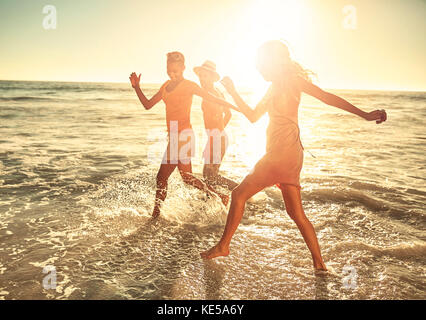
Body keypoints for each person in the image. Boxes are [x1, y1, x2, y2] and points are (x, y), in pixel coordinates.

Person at [200, 40, 387, 270]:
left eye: (261, 64)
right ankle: (320, 264)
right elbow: (252, 116)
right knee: (296, 213)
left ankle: (223, 246)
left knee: (239, 194)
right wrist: (233, 92)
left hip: (281, 152)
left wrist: (365, 114)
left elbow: (328, 98)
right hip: (291, 154)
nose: (259, 69)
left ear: (274, 62)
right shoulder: (275, 87)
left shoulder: (292, 81)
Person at [129, 51, 240, 218]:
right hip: (175, 136)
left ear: (183, 68)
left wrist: (238, 108)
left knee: (161, 177)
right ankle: (220, 196)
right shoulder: (165, 86)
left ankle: (155, 215)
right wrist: (137, 87)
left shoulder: (189, 85)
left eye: (176, 71)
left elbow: (213, 98)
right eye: (169, 70)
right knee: (187, 178)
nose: (172, 74)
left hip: (183, 135)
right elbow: (147, 104)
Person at [194, 60, 238, 191]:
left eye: (205, 76)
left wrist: (214, 139)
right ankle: (213, 203)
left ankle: (242, 191)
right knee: (209, 176)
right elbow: (228, 114)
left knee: (210, 177)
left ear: (212, 78)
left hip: (217, 139)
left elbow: (224, 116)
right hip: (218, 138)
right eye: (200, 75)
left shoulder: (212, 95)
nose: (201, 78)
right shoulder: (216, 92)